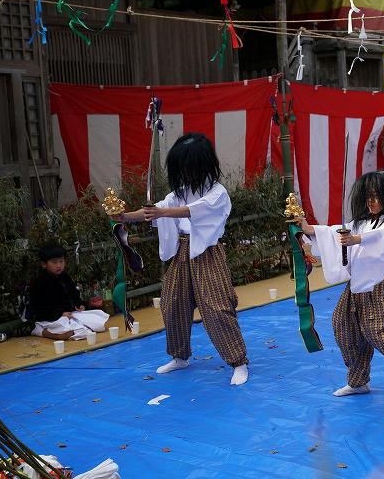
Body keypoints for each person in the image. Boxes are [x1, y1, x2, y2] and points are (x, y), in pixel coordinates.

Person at [115, 133, 249, 386]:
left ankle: (238, 361)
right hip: (182, 252)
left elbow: (194, 211)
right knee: (172, 303)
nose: (185, 172)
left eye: (189, 167)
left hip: (207, 253)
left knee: (216, 306)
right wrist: (124, 217)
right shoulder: (179, 193)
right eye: (181, 168)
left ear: (202, 165)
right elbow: (152, 211)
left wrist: (163, 211)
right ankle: (180, 356)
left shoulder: (217, 193)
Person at [300, 170, 384, 417]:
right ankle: (358, 381)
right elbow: (336, 231)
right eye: (368, 196)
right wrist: (310, 229)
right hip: (355, 289)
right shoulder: (361, 222)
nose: (371, 201)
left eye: (377, 196)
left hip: (379, 290)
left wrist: (356, 238)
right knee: (344, 330)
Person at [29, 243, 109, 340]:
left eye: (61, 261)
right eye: (54, 262)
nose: (59, 265)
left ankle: (75, 328)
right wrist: (60, 314)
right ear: (44, 264)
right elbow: (39, 308)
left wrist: (79, 305)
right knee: (73, 333)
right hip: (51, 318)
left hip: (70, 314)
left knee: (99, 324)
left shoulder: (65, 276)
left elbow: (74, 294)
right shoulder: (40, 282)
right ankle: (42, 331)